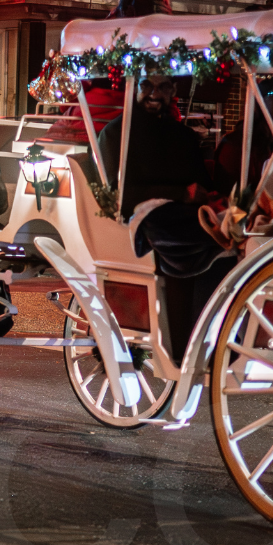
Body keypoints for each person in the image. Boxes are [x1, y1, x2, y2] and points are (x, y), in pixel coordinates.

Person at [96, 71, 233, 357]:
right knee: (199, 240)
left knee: (225, 238)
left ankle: (216, 337)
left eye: (163, 86)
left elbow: (200, 184)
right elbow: (120, 195)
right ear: (134, 88)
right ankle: (186, 345)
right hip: (145, 217)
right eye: (146, 85)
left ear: (173, 91)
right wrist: (180, 194)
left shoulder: (183, 136)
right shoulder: (115, 134)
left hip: (185, 214)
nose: (154, 93)